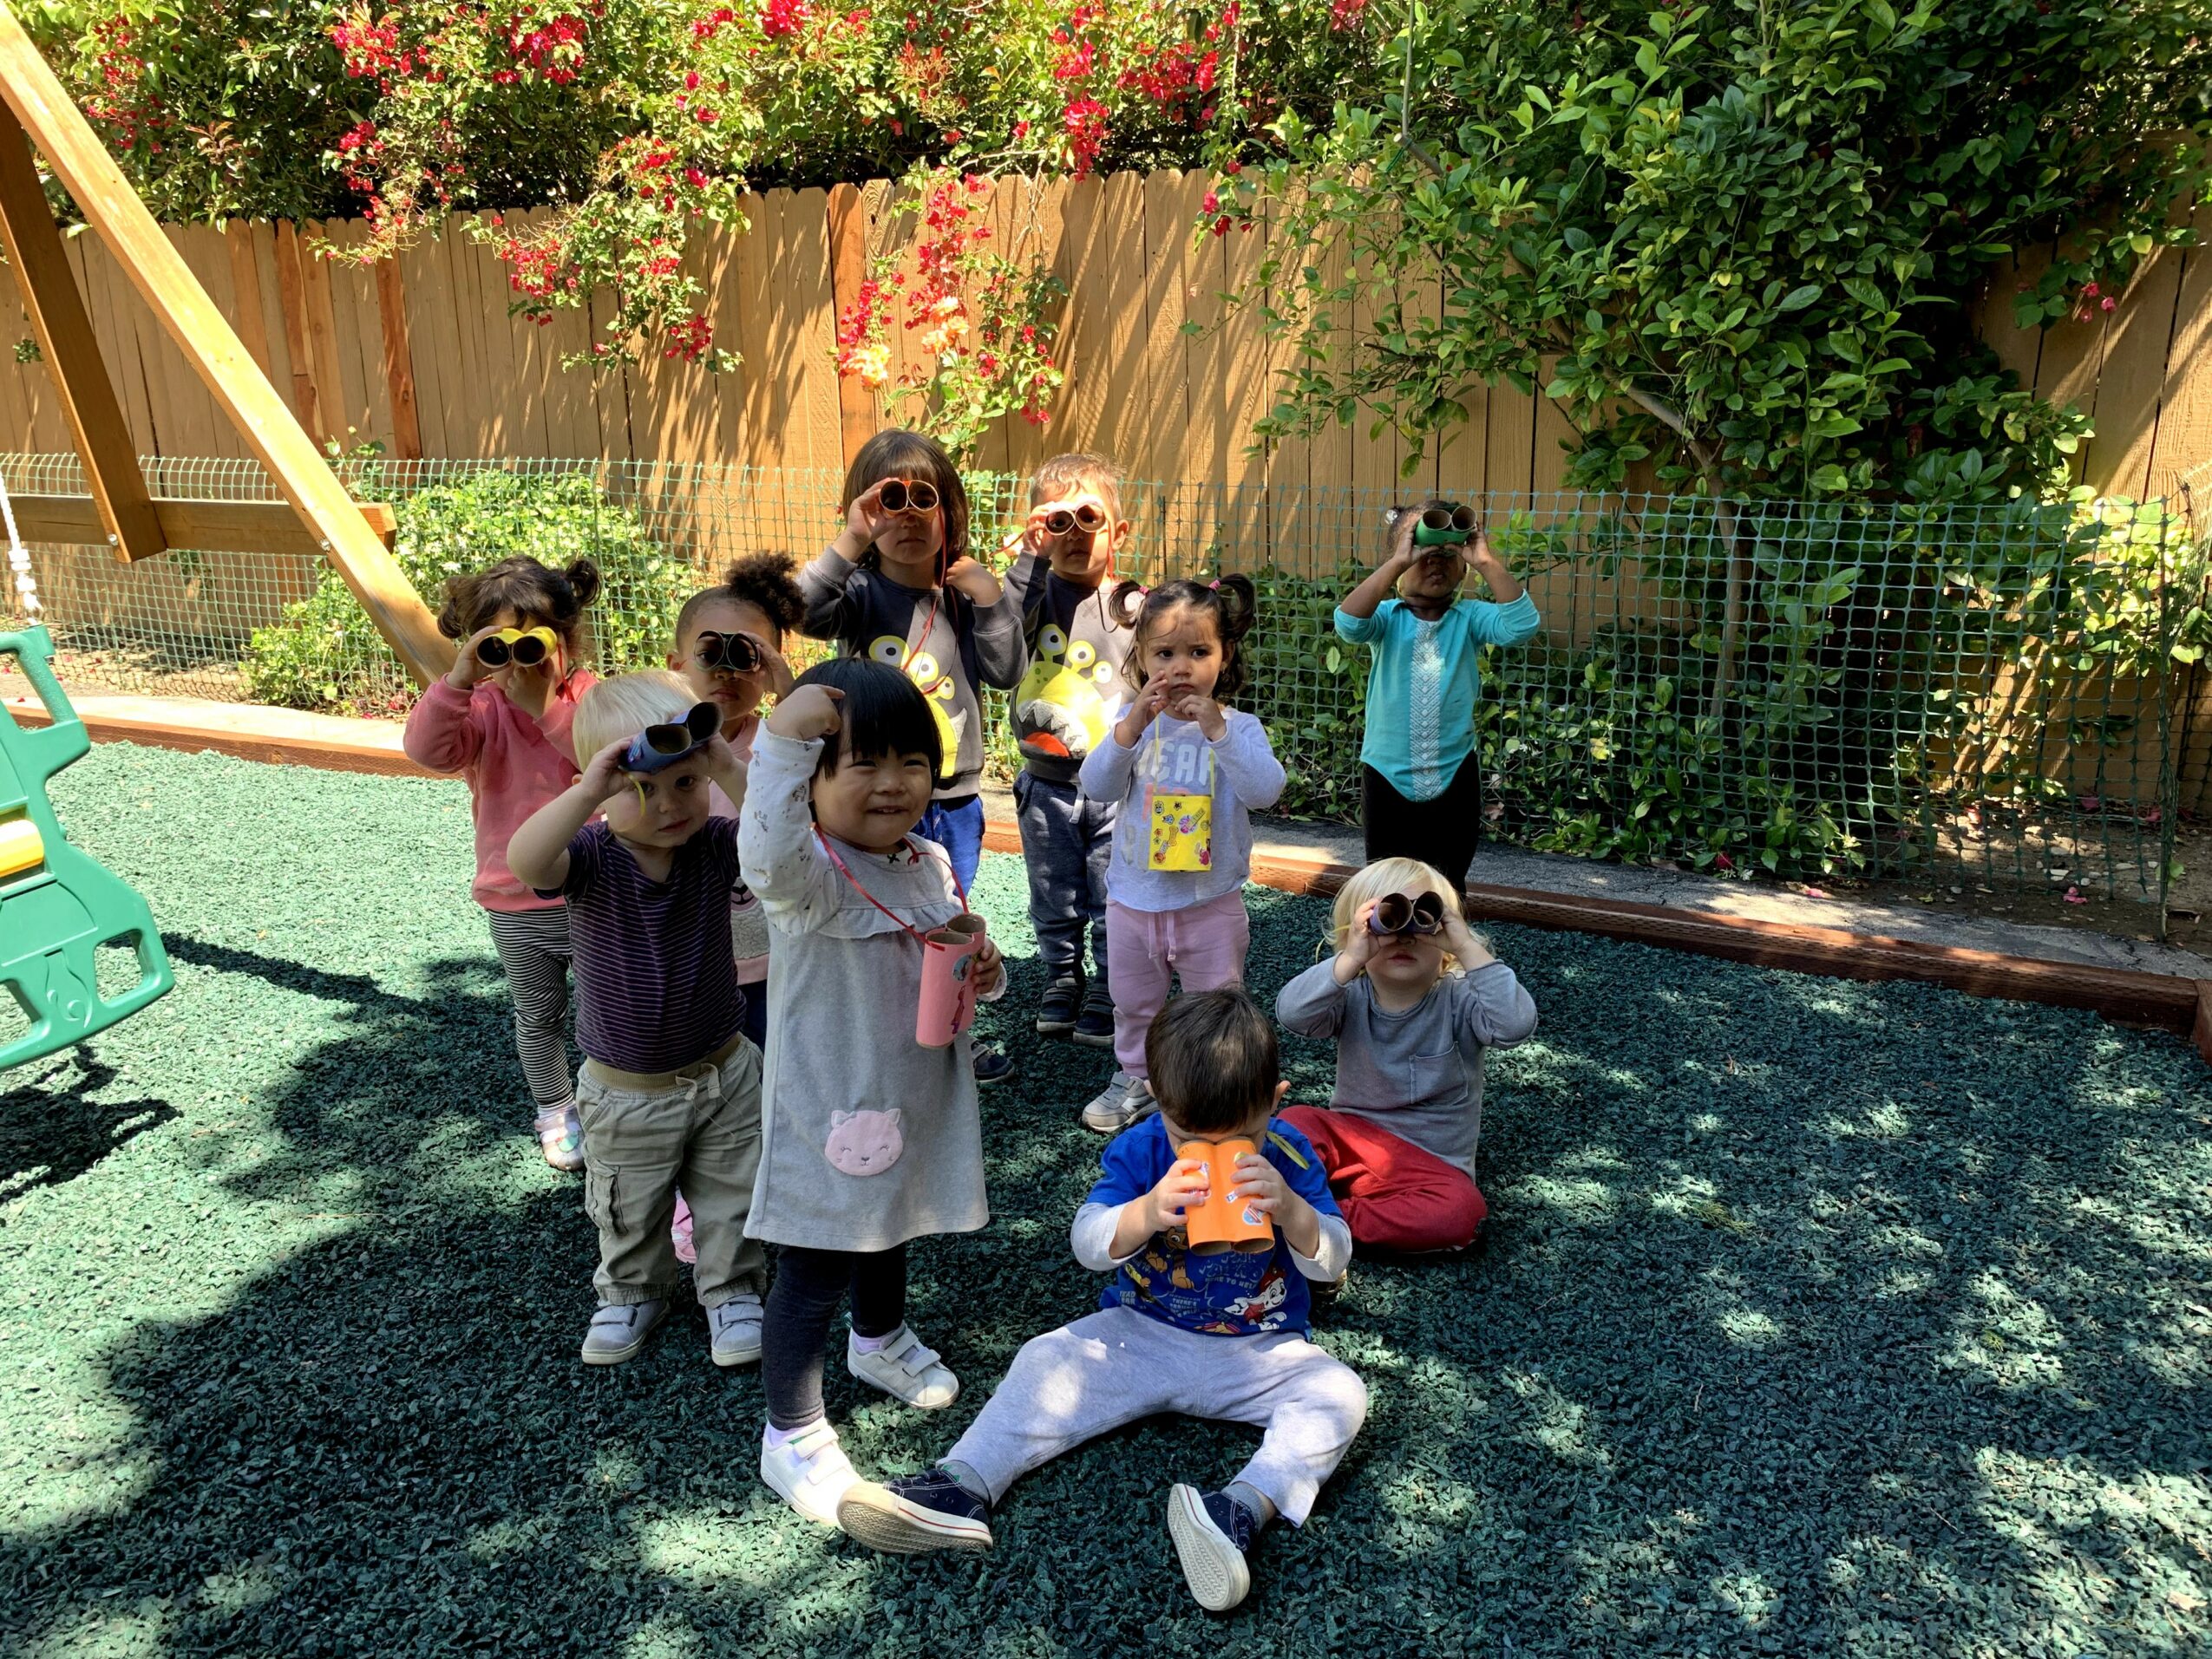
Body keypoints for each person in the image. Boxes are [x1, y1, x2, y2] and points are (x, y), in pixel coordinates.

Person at [835, 989, 1364, 1616]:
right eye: (1188, 1137)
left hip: (1260, 1348)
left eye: (1242, 1137)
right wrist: (1146, 1212)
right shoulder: (1142, 1149)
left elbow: (1333, 1257)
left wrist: (1294, 1212)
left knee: (1340, 1393)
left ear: (1275, 1101)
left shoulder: (1289, 1156)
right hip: (1141, 1332)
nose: (1212, 1152)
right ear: (1159, 1100)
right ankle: (962, 1484)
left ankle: (1240, 1509)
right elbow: (1087, 1241)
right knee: (1044, 1357)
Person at [736, 658, 1007, 1526]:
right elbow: (763, 847)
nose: (893, 782)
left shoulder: (928, 859)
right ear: (812, 783)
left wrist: (985, 965)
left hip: (911, 1087)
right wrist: (782, 738)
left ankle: (878, 1336)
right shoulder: (808, 872)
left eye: (911, 761)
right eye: (863, 762)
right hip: (832, 1103)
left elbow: (950, 948)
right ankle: (791, 1432)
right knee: (818, 1256)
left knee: (895, 1215)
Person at [504, 671, 767, 1368]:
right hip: (625, 1091)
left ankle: (732, 1287)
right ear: (599, 792)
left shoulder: (715, 845)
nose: (670, 804)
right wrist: (587, 793)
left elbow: (778, 838)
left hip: (725, 1069)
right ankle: (631, 1289)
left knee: (731, 1191)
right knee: (628, 1202)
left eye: (687, 782)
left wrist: (726, 766)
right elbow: (525, 860)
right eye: (641, 789)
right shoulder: (589, 858)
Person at [798, 428, 1025, 1083]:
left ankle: (952, 1027)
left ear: (948, 512)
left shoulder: (962, 595)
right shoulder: (858, 595)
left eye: (922, 499)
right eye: (887, 501)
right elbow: (803, 611)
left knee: (946, 913)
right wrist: (851, 540)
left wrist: (990, 598)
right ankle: (876, 1027)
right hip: (870, 791)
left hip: (951, 795)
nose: (906, 516)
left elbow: (1007, 670)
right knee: (871, 907)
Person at [402, 554, 602, 1172]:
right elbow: (427, 751)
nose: (519, 661)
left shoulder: (591, 699)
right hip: (516, 901)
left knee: (607, 1007)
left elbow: (602, 761)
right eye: (498, 646)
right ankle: (556, 1109)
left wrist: (546, 706)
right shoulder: (482, 708)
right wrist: (458, 681)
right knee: (539, 1015)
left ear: (565, 640)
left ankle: (611, 1096)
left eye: (534, 642)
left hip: (595, 891)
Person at [1075, 575, 1283, 1133]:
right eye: (1165, 653)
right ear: (1141, 657)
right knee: (1133, 1002)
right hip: (1133, 902)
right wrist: (1130, 729)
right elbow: (1096, 787)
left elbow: (1265, 791)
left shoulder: (1239, 728)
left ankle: (1214, 1086)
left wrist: (1219, 732)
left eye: (1198, 652)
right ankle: (1136, 1078)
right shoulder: (1131, 725)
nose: (1181, 667)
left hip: (1209, 903)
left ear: (1224, 655)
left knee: (1216, 1006)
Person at [1275, 857, 1538, 1254]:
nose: (1404, 936)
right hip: (1352, 1143)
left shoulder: (1461, 999)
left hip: (1429, 1167)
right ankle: (1311, 1207)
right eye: (1388, 920)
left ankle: (1316, 1217)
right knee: (1297, 1122)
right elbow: (1293, 1014)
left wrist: (1465, 945)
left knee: (1461, 1212)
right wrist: (1351, 958)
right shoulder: (1351, 996)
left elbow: (1515, 1025)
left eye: (1423, 919)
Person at [999, 452, 1136, 1050]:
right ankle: (1062, 974)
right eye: (1060, 521)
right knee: (1052, 887)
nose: (1076, 535)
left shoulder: (1137, 607)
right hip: (1045, 780)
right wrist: (1029, 558)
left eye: (1090, 518)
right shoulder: (1032, 595)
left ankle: (1108, 980)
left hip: (1116, 786)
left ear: (1118, 533)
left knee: (1112, 889)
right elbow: (999, 636)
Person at [1335, 500, 1539, 893]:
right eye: (1421, 552)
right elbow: (1348, 623)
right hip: (1387, 773)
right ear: (1398, 564)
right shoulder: (1386, 617)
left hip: (1454, 772)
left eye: (1448, 555)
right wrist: (1398, 561)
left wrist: (1485, 561)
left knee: (1449, 883)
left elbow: (1522, 625)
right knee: (1387, 882)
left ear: (1463, 567)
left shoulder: (1470, 618)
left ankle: (1448, 935)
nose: (1435, 562)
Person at [669, 552, 806, 1053]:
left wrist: (789, 692)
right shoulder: (655, 741)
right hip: (685, 953)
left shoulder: (780, 744)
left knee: (772, 1060)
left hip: (768, 956)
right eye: (711, 653)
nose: (727, 670)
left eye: (746, 655)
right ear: (676, 665)